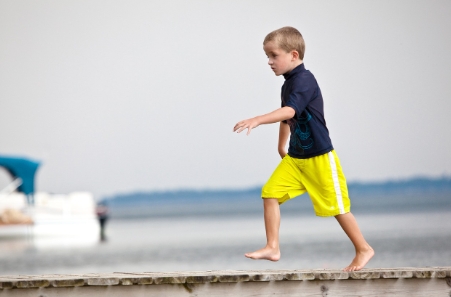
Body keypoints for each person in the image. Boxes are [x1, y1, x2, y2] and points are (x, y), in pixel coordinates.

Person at [233, 26, 374, 272]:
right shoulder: (286, 85)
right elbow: (287, 117)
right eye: (267, 56)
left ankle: (363, 249)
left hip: (320, 157)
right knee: (270, 194)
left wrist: (256, 119)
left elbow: (290, 111)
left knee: (337, 208)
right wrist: (281, 145)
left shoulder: (305, 80)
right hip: (296, 158)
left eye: (273, 55)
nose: (269, 61)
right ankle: (273, 247)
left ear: (294, 55)